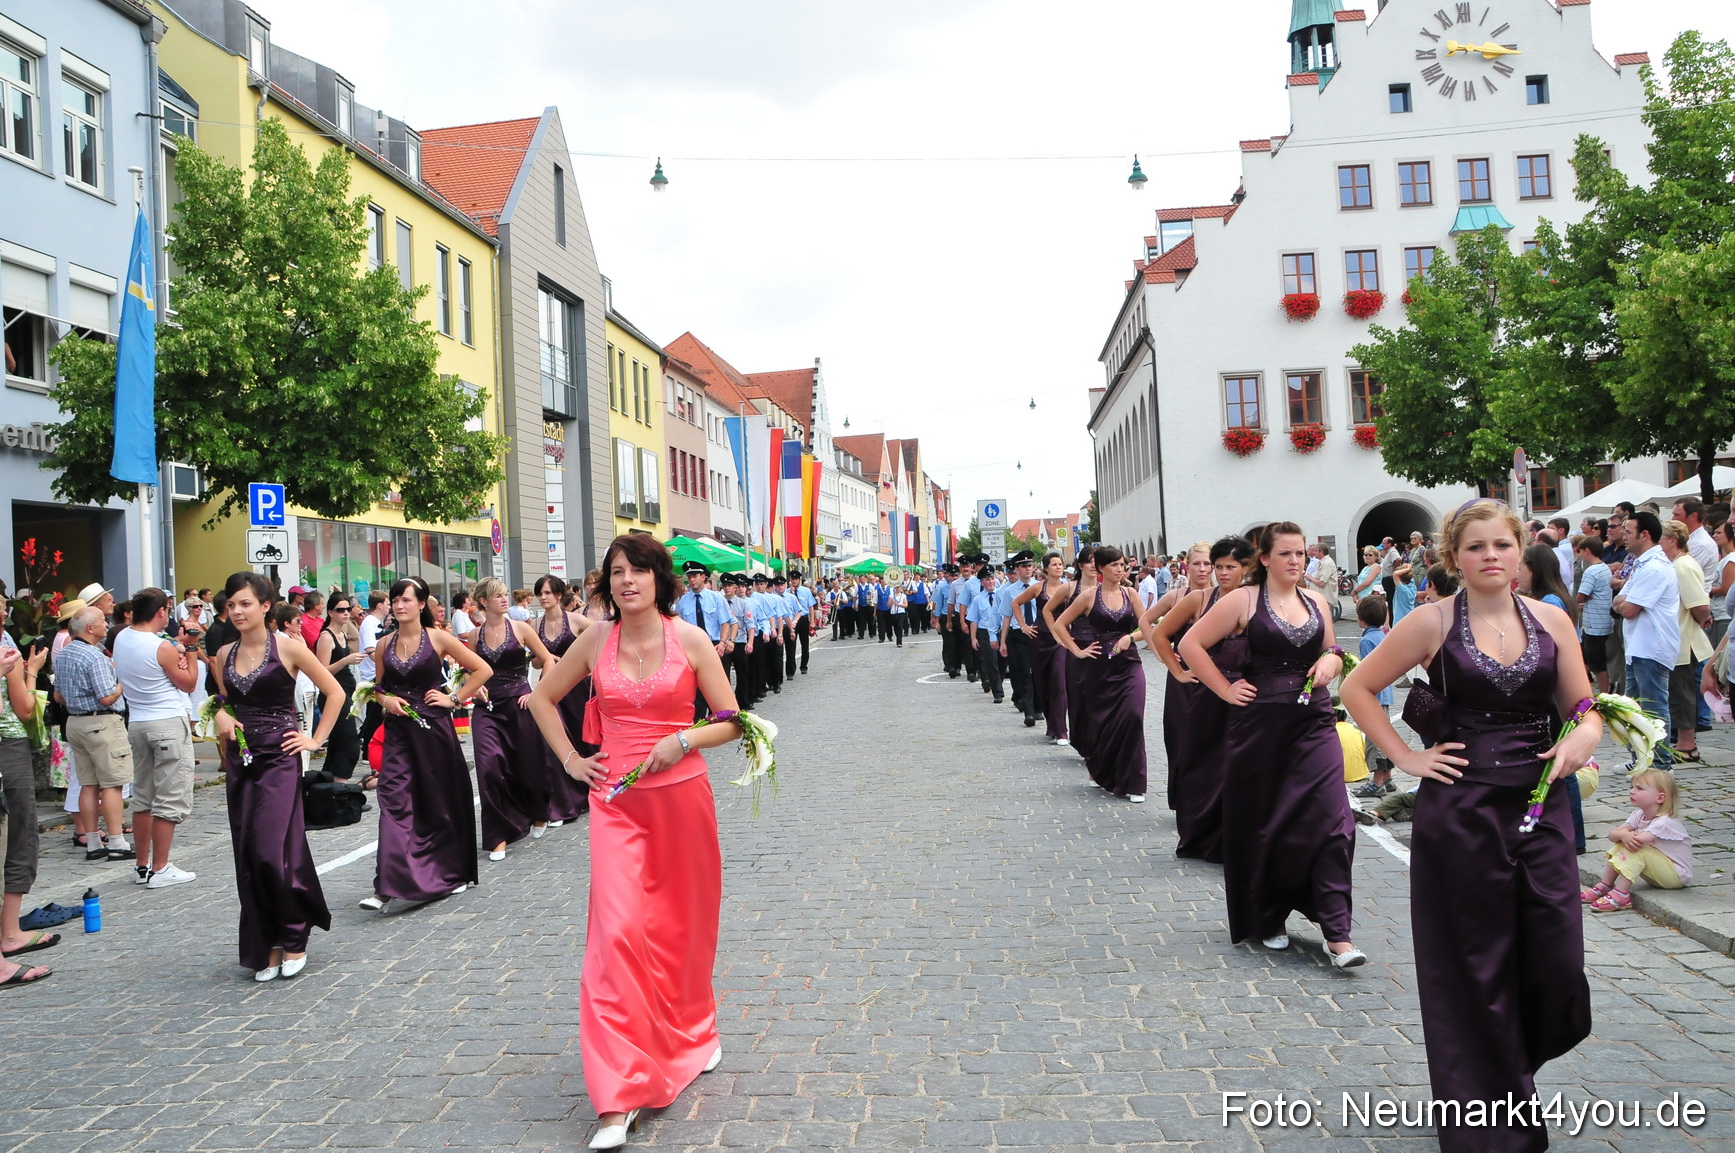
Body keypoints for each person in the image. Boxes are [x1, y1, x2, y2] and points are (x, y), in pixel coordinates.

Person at [1342, 499, 1598, 1153]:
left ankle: (1506, 1067)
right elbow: (1358, 688)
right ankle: (1489, 1122)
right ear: (1454, 556)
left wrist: (1581, 738)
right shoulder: (1429, 622)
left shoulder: (1551, 619)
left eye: (1502, 545)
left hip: (1540, 807)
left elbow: (1583, 706)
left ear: (1519, 551)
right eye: (1476, 546)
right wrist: (1404, 756)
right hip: (1458, 813)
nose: (1490, 556)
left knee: (1558, 963)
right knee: (1473, 970)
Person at [526, 534, 742, 1150]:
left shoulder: (692, 639)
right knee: (616, 936)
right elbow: (540, 697)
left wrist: (684, 740)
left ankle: (695, 1031)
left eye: (638, 571)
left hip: (682, 801)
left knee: (682, 930)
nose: (627, 581)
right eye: (616, 572)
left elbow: (732, 719)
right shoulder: (595, 639)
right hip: (615, 803)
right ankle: (617, 1097)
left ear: (659, 579)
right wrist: (572, 760)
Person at [1181, 522, 1364, 967]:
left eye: (1301, 553)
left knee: (1335, 821)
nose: (1296, 561)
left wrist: (1330, 661)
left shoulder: (1317, 601)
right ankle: (1270, 914)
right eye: (1286, 554)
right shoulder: (1243, 599)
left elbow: (1334, 651)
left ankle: (1337, 932)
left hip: (1315, 723)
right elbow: (1191, 643)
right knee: (1268, 822)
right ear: (1264, 558)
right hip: (1260, 727)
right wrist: (1225, 690)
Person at [211, 572, 343, 981]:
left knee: (272, 850)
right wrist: (220, 717)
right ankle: (266, 941)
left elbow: (334, 692)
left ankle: (294, 933)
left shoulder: (289, 648)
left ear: (266, 606)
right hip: (242, 761)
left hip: (281, 758)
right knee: (249, 855)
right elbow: (221, 702)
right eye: (231, 604)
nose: (236, 611)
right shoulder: (223, 654)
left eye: (245, 603)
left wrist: (315, 740)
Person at [359, 577, 492, 911]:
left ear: (421, 604)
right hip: (399, 735)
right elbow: (378, 688)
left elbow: (481, 669)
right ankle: (386, 885)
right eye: (395, 600)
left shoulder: (438, 638)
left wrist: (454, 699)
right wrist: (386, 700)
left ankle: (451, 870)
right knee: (393, 802)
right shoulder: (384, 643)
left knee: (437, 803)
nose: (400, 605)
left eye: (407, 600)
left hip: (433, 732)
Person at [1151, 537, 1252, 859]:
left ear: (1244, 569)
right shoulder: (1198, 600)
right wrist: (1178, 672)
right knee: (1205, 763)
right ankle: (1201, 833)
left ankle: (1238, 834)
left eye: (1227, 567)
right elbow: (1160, 634)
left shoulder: (1253, 600)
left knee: (1239, 765)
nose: (1221, 573)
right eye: (1217, 566)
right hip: (1205, 693)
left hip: (1245, 695)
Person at [115, 588, 202, 889]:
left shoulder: (123, 638)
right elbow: (189, 683)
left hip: (137, 722)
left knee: (143, 796)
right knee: (169, 797)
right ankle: (161, 867)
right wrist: (190, 649)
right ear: (161, 613)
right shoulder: (160, 647)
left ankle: (142, 864)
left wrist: (178, 647)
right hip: (165, 721)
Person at [467, 577, 556, 861]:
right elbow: (469, 669)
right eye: (499, 596)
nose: (505, 600)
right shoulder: (473, 636)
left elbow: (548, 659)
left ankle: (539, 812)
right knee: (488, 767)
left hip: (519, 704)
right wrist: (474, 684)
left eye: (506, 594)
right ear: (484, 602)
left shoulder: (521, 629)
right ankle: (497, 837)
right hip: (487, 708)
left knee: (527, 765)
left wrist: (537, 692)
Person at [1054, 547, 1148, 802]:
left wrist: (1130, 637)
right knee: (1102, 721)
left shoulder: (1131, 594)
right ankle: (1101, 769)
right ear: (1102, 568)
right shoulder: (1087, 597)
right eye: (1115, 565)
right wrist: (1077, 650)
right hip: (1098, 667)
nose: (1120, 569)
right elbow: (1060, 623)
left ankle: (1134, 782)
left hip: (1129, 665)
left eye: (1123, 564)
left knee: (1132, 716)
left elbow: (1147, 627)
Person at [54, 607, 133, 861]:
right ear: (90, 628)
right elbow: (106, 696)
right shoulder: (94, 656)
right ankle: (117, 841)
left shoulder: (64, 654)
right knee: (112, 783)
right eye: (102, 622)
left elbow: (58, 696)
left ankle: (91, 841)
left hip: (75, 722)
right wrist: (122, 684)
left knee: (88, 784)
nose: (106, 625)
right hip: (101, 723)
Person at [1, 633, 52, 966]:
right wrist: (30, 670)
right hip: (8, 744)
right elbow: (24, 708)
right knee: (19, 835)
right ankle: (9, 932)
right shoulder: (6, 648)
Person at [1582, 769, 1693, 912]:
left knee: (1634, 847)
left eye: (1639, 788)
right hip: (1656, 871)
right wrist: (1622, 835)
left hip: (1676, 876)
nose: (1632, 791)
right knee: (1623, 842)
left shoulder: (1664, 822)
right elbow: (1612, 835)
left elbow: (1638, 841)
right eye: (1632, 787)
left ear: (1660, 798)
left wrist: (1622, 834)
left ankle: (1621, 894)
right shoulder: (1638, 815)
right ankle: (1605, 884)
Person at [534, 574, 596, 824]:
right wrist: (548, 658)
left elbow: (601, 640)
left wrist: (583, 663)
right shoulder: (534, 624)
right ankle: (564, 801)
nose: (543, 597)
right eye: (540, 593)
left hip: (579, 687)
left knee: (584, 738)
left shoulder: (577, 620)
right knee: (555, 741)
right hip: (552, 686)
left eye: (547, 593)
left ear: (559, 595)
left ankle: (590, 789)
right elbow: (536, 660)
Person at [1661, 520, 1712, 764]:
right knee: (1678, 692)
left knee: (1682, 693)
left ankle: (1687, 744)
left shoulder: (1683, 565)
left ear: (1673, 540)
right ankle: (1683, 741)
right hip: (1677, 639)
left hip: (1685, 640)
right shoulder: (1676, 564)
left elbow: (1699, 605)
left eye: (1661, 539)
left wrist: (1700, 622)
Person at [1013, 553, 1070, 746]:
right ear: (1046, 568)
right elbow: (1016, 603)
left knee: (1059, 681)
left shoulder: (1069, 587)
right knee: (1043, 684)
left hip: (1061, 640)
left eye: (1060, 564)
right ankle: (1051, 725)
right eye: (1054, 564)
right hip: (1040, 639)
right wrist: (1024, 626)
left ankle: (1062, 730)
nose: (1058, 567)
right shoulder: (1038, 588)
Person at [1048, 553, 1097, 763]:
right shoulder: (1069, 588)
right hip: (1077, 647)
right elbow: (1048, 610)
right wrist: (1059, 636)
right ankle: (1082, 740)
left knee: (1099, 699)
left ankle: (1098, 744)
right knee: (1079, 699)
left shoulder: (1109, 587)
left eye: (1098, 561)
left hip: (1101, 648)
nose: (1094, 565)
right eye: (1090, 561)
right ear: (1081, 565)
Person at [314, 595, 366, 781]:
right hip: (333, 694)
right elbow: (321, 671)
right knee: (349, 743)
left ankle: (329, 789)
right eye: (340, 610)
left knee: (339, 744)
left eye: (347, 609)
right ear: (330, 613)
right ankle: (340, 788)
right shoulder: (326, 637)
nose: (345, 613)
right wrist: (346, 660)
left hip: (346, 692)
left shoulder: (342, 634)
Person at [1349, 596, 1395, 800]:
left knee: (1373, 737)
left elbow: (1368, 669)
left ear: (1361, 619)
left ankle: (1377, 781)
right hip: (1386, 693)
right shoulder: (1384, 636)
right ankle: (1387, 776)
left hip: (1373, 694)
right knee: (1385, 733)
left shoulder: (1367, 640)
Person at [675, 563, 730, 719]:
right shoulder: (683, 601)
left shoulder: (716, 598)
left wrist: (723, 643)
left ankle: (719, 719)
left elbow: (725, 621)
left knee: (717, 685)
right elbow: (678, 624)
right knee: (696, 688)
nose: (691, 580)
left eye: (694, 576)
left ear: (703, 577)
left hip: (714, 645)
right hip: (692, 648)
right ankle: (698, 721)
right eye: (689, 577)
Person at [1576, 537, 1615, 695]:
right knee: (1595, 660)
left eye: (1580, 551)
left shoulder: (1591, 571)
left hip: (1594, 624)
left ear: (1587, 551)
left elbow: (1580, 596)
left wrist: (1583, 598)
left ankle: (1603, 694)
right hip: (1603, 619)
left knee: (1596, 663)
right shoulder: (1604, 567)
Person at [965, 566, 1006, 703]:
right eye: (987, 579)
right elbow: (974, 620)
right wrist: (973, 638)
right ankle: (998, 692)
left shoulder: (1002, 595)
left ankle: (997, 682)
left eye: (992, 578)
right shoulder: (978, 599)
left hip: (1002, 632)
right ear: (982, 582)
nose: (991, 582)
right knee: (991, 663)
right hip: (985, 633)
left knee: (1002, 663)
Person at [787, 571, 815, 671]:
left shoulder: (806, 591)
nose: (794, 581)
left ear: (799, 580)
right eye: (792, 579)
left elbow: (811, 606)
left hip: (803, 619)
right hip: (792, 620)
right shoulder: (787, 592)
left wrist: (812, 621)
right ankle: (791, 669)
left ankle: (804, 666)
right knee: (791, 645)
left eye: (796, 579)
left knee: (805, 644)